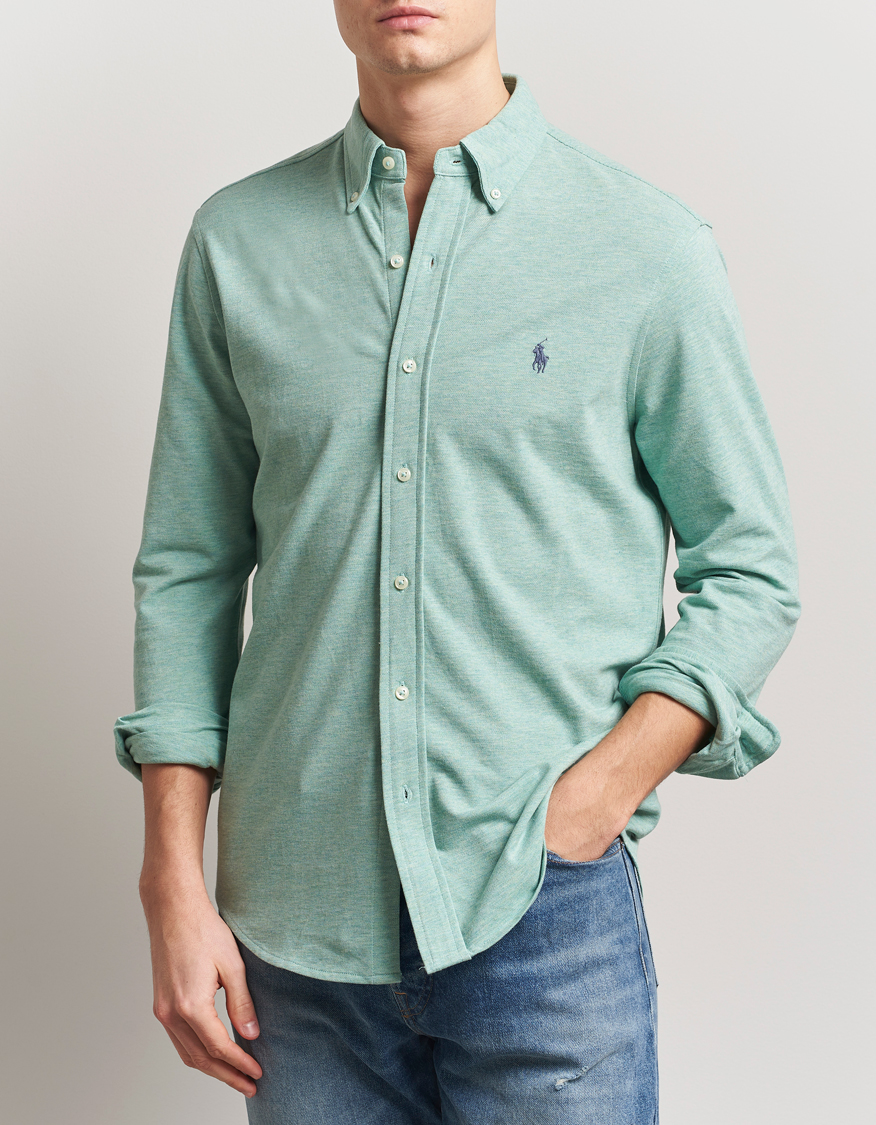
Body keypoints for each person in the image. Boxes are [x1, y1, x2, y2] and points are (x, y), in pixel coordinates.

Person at [113, 2, 801, 1121]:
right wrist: (171, 884)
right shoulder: (237, 242)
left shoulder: (645, 247)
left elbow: (752, 567)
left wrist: (594, 799)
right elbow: (189, 568)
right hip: (295, 933)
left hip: (543, 910)